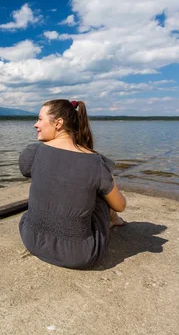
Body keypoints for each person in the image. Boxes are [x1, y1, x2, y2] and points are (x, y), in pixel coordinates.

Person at [18, 99, 126, 269]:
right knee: (101, 194)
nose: (35, 124)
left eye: (39, 119)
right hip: (80, 254)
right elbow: (120, 205)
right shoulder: (95, 162)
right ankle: (113, 221)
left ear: (58, 123)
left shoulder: (32, 152)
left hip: (32, 239)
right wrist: (108, 178)